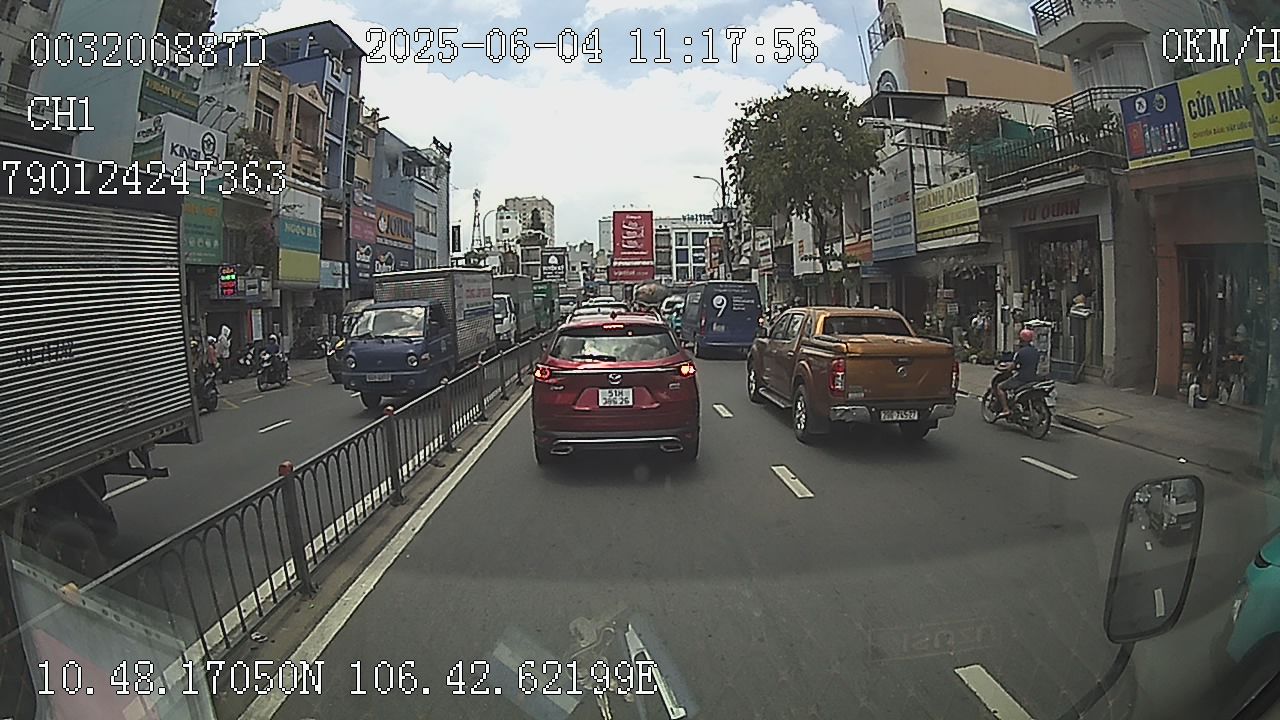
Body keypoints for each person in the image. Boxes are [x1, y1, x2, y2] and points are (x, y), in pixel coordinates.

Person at [996, 327, 1041, 419]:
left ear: (1022, 340)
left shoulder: (1020, 352)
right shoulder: (1036, 351)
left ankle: (1005, 409)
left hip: (1021, 378)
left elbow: (1012, 366)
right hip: (1033, 378)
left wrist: (1002, 368)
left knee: (1000, 387)